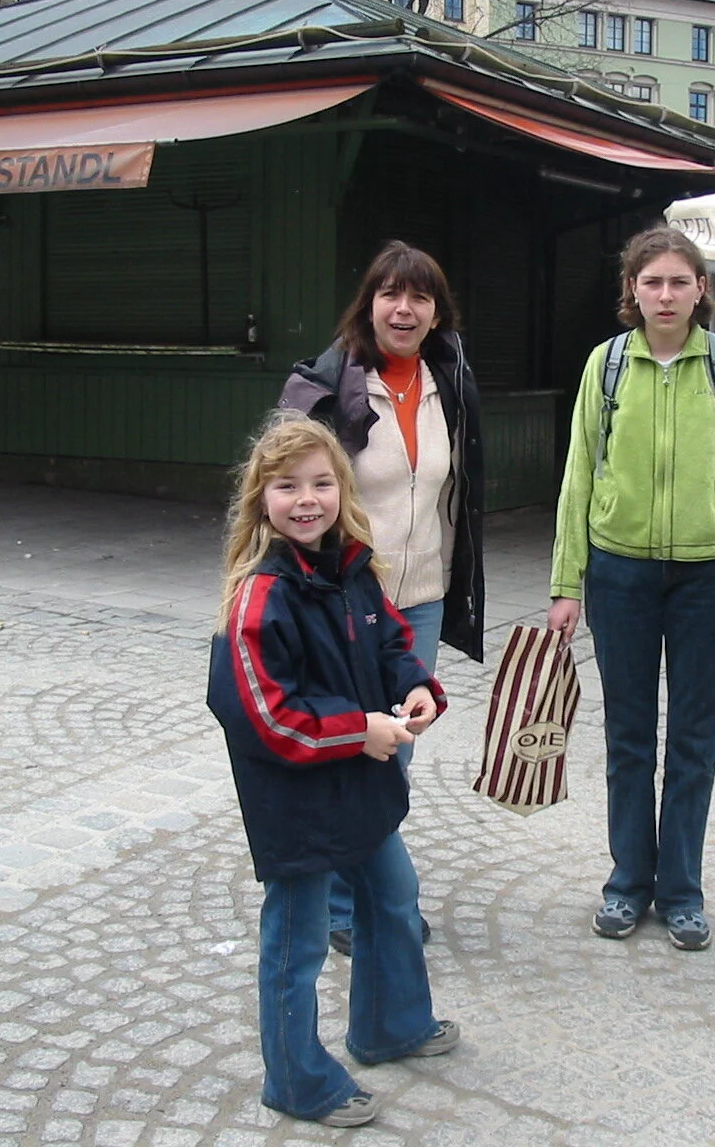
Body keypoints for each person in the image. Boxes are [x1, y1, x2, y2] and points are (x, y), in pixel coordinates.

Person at [205, 411, 460, 1129]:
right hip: (297, 800)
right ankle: (296, 1078)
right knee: (298, 938)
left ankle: (391, 1024)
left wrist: (416, 686)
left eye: (321, 483)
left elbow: (391, 644)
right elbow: (267, 717)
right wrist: (361, 732)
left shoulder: (351, 567)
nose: (306, 499)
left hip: (361, 780)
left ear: (343, 490)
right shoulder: (259, 596)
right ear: (262, 498)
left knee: (392, 896)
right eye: (288, 486)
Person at [547, 225, 715, 953]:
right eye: (653, 282)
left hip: (708, 575)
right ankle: (627, 881)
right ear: (633, 291)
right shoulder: (607, 364)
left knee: (693, 738)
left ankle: (681, 890)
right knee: (627, 735)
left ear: (702, 290)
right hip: (620, 571)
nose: (667, 294)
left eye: (681, 281)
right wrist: (567, 581)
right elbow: (580, 470)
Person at [279, 240, 485, 956]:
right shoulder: (331, 385)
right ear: (368, 304)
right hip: (346, 599)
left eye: (420, 296)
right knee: (352, 743)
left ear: (437, 312)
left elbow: (456, 493)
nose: (405, 308)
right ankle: (343, 905)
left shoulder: (446, 381)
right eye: (391, 293)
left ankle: (370, 888)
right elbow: (289, 492)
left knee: (397, 748)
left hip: (421, 595)